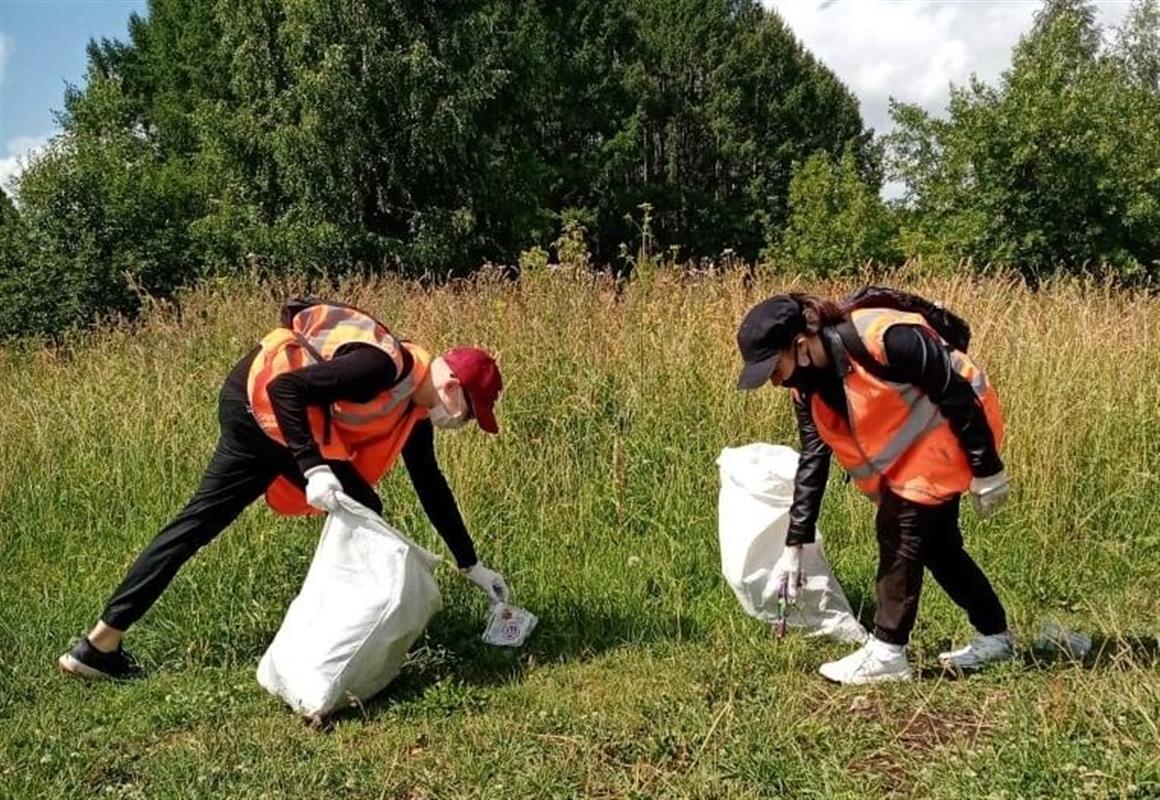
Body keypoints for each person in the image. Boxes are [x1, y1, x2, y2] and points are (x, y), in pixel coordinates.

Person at [59, 298, 510, 680]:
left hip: (251, 405)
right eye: (470, 414)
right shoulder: (381, 366)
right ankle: (344, 649)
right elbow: (286, 389)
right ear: (452, 388)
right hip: (261, 406)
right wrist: (314, 469)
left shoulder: (413, 405)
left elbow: (429, 482)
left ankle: (98, 645)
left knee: (198, 523)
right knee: (365, 508)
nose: (463, 424)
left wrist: (470, 564)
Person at [735, 291, 1013, 685]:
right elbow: (813, 461)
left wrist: (988, 469)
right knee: (940, 549)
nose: (775, 382)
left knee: (899, 531)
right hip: (910, 462)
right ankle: (996, 635)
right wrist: (795, 544)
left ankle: (887, 653)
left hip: (953, 438)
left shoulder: (885, 337)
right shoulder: (809, 387)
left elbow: (956, 392)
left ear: (799, 345)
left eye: (773, 369)